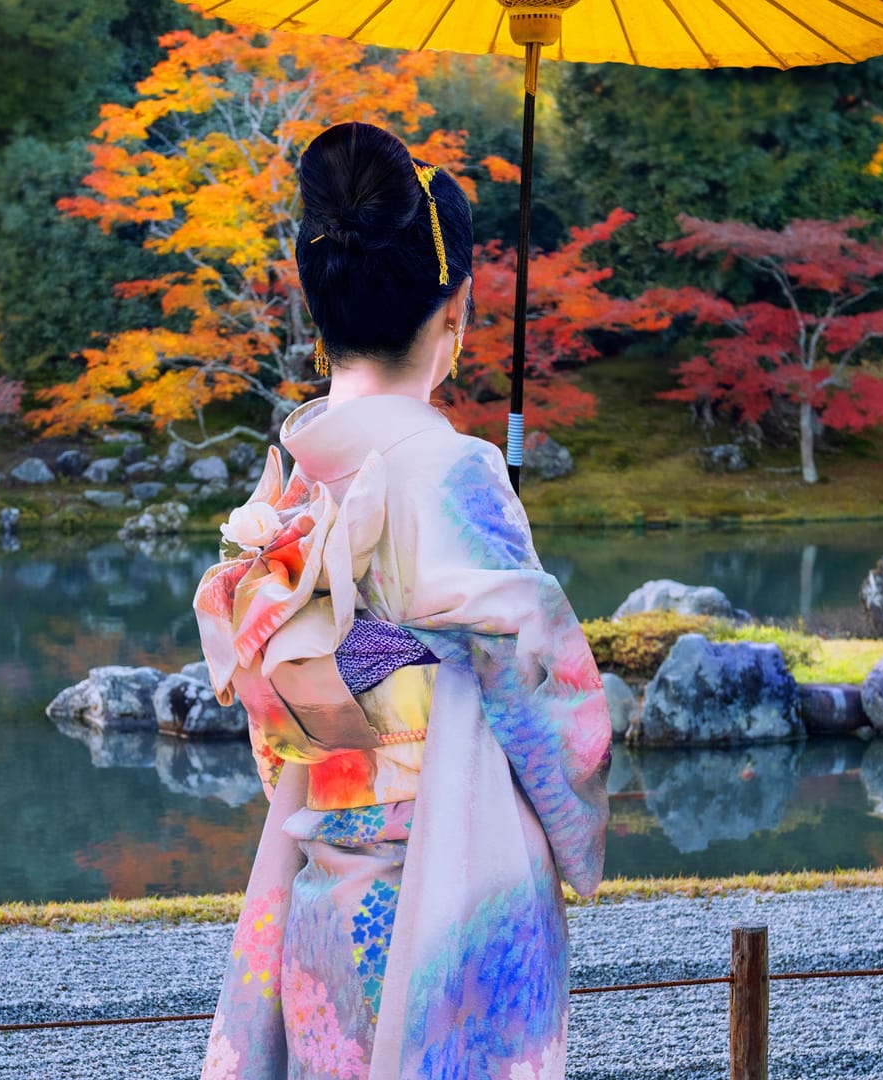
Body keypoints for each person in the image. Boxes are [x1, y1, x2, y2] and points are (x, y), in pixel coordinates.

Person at [191, 121, 611, 1080]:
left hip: (323, 898)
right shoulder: (456, 473)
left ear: (318, 309)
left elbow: (288, 727)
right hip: (441, 898)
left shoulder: (294, 487)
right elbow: (548, 701)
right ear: (456, 307)